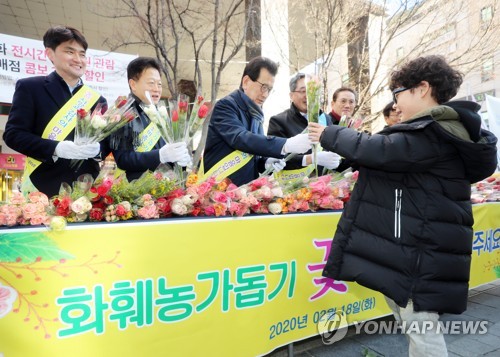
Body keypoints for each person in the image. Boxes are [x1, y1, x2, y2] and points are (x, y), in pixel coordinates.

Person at [308, 55, 497, 356]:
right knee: (412, 320)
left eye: (398, 94)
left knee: (421, 328)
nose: (395, 104)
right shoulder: (437, 128)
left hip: (419, 251)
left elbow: (382, 150)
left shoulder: (433, 132)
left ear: (422, 89)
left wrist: (330, 134)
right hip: (418, 243)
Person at [3, 26, 108, 197]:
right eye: (70, 52)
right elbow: (13, 135)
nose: (78, 59)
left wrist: (98, 150)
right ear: (50, 54)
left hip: (88, 191)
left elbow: (106, 141)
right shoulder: (31, 87)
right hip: (43, 188)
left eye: (82, 54)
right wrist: (56, 148)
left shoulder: (97, 99)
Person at [202, 56, 311, 186]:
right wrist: (285, 144)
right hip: (219, 192)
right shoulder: (225, 106)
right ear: (246, 81)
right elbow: (240, 138)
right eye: (263, 87)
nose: (265, 94)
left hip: (244, 194)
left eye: (269, 89)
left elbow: (254, 157)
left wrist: (266, 163)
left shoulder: (256, 115)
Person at [108, 57, 190, 181]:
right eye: (151, 83)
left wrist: (180, 159)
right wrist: (160, 155)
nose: (156, 88)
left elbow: (168, 152)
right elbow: (123, 160)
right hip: (136, 191)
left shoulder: (159, 113)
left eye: (159, 84)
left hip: (164, 186)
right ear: (133, 84)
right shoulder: (122, 113)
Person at [268, 73, 340, 172]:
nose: (309, 95)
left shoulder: (325, 119)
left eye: (313, 90)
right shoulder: (278, 121)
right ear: (291, 95)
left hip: (323, 184)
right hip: (294, 184)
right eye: (303, 91)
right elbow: (276, 158)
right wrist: (311, 159)